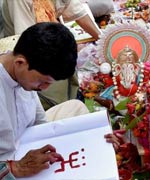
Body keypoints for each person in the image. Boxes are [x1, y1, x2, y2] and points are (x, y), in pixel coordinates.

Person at [0, 22, 98, 178]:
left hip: (25, 142)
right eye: (42, 81)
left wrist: (97, 136)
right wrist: (14, 168)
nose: (44, 88)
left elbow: (41, 123)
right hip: (7, 165)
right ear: (20, 63)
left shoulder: (22, 75)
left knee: (76, 108)